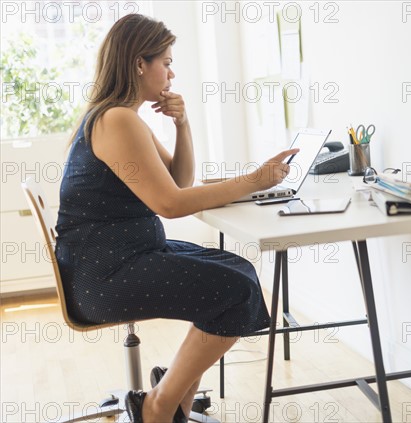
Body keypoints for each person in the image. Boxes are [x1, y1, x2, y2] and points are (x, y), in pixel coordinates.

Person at [54, 13, 298, 423]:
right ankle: (158, 406)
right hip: (105, 276)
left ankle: (176, 393)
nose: (171, 71)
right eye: (165, 61)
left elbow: (178, 183)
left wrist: (182, 125)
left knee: (240, 271)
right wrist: (254, 180)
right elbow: (171, 204)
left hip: (124, 257)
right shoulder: (116, 119)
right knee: (236, 290)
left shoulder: (121, 116)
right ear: (138, 64)